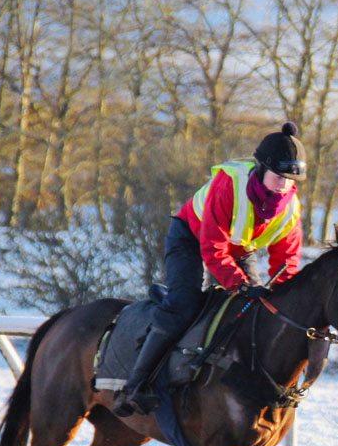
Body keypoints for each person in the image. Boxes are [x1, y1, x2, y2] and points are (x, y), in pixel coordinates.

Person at [113, 122, 307, 417]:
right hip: (190, 236)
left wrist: (280, 297)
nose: (284, 186)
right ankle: (135, 385)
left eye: (290, 180)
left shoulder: (291, 207)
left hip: (240, 250)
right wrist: (240, 284)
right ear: (261, 168)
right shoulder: (229, 185)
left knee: (256, 310)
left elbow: (287, 262)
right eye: (279, 177)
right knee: (184, 304)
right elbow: (213, 249)